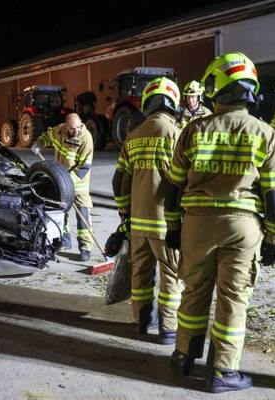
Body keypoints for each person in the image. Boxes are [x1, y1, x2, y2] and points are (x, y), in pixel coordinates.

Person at [165, 52, 275, 393]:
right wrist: (273, 240)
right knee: (233, 298)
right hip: (243, 228)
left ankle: (183, 355)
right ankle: (223, 372)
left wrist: (173, 227)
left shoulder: (193, 130)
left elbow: (173, 186)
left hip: (197, 224)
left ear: (216, 87)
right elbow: (273, 197)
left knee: (194, 291)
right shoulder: (265, 134)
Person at [112, 77, 182, 343]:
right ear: (173, 102)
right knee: (171, 277)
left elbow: (118, 181)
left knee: (141, 274)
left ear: (147, 103)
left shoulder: (133, 136)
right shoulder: (177, 134)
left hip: (139, 224)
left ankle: (142, 323)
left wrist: (124, 214)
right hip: (167, 223)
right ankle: (168, 330)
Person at [31, 113, 94, 261]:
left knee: (83, 214)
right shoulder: (59, 131)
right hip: (61, 181)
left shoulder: (86, 139)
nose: (76, 131)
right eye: (72, 129)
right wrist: (38, 144)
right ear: (66, 126)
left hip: (78, 183)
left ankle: (86, 248)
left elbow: (84, 166)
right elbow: (47, 136)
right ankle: (65, 241)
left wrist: (67, 182)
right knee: (62, 212)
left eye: (78, 127)